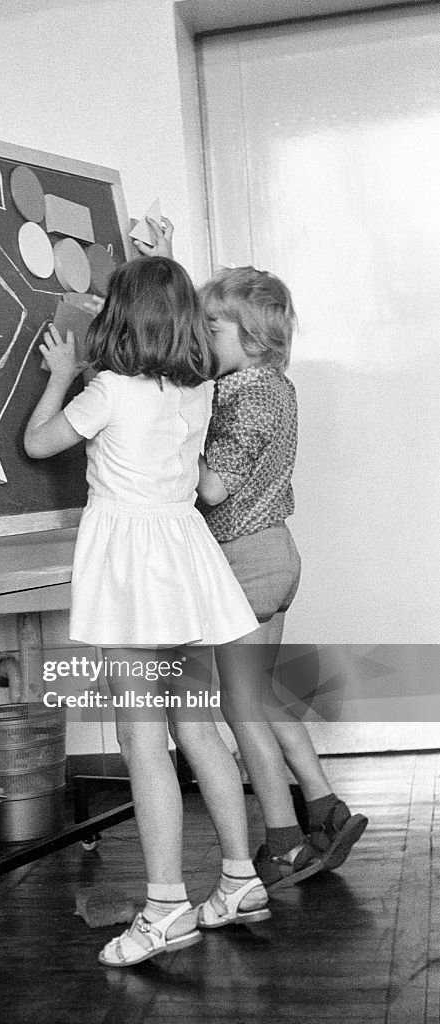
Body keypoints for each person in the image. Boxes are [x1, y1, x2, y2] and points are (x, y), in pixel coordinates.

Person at [24, 256, 271, 968]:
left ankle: (164, 908)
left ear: (118, 319)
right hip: (186, 563)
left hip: (133, 571)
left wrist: (58, 376)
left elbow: (38, 444)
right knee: (197, 729)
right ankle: (238, 880)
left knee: (140, 741)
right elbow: (195, 479)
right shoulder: (196, 393)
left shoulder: (106, 389)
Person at [194, 265, 368, 887]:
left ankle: (282, 840)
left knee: (241, 708)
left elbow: (214, 486)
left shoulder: (247, 394)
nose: (199, 334)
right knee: (261, 698)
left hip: (246, 558)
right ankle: (325, 807)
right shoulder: (272, 382)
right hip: (270, 554)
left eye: (211, 326)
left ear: (253, 339)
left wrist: (165, 439)